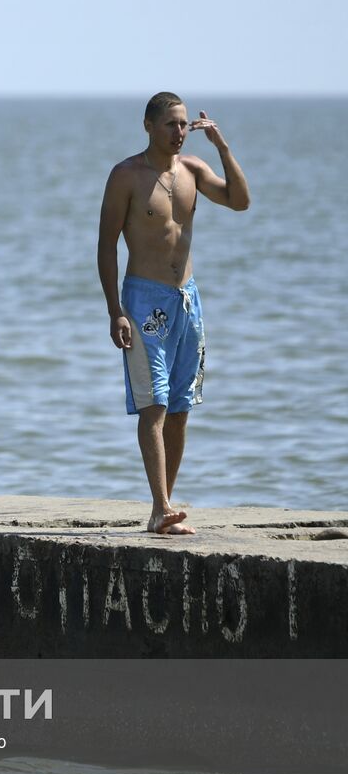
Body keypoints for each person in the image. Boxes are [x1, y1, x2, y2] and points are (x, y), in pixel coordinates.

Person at [98, 93, 250, 535]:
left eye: (184, 124)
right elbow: (106, 246)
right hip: (144, 302)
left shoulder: (193, 171)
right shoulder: (126, 175)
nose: (179, 132)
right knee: (155, 403)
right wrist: (115, 311)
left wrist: (222, 147)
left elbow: (240, 201)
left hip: (187, 300)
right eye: (170, 124)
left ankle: (162, 508)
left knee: (180, 407)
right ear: (148, 126)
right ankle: (161, 506)